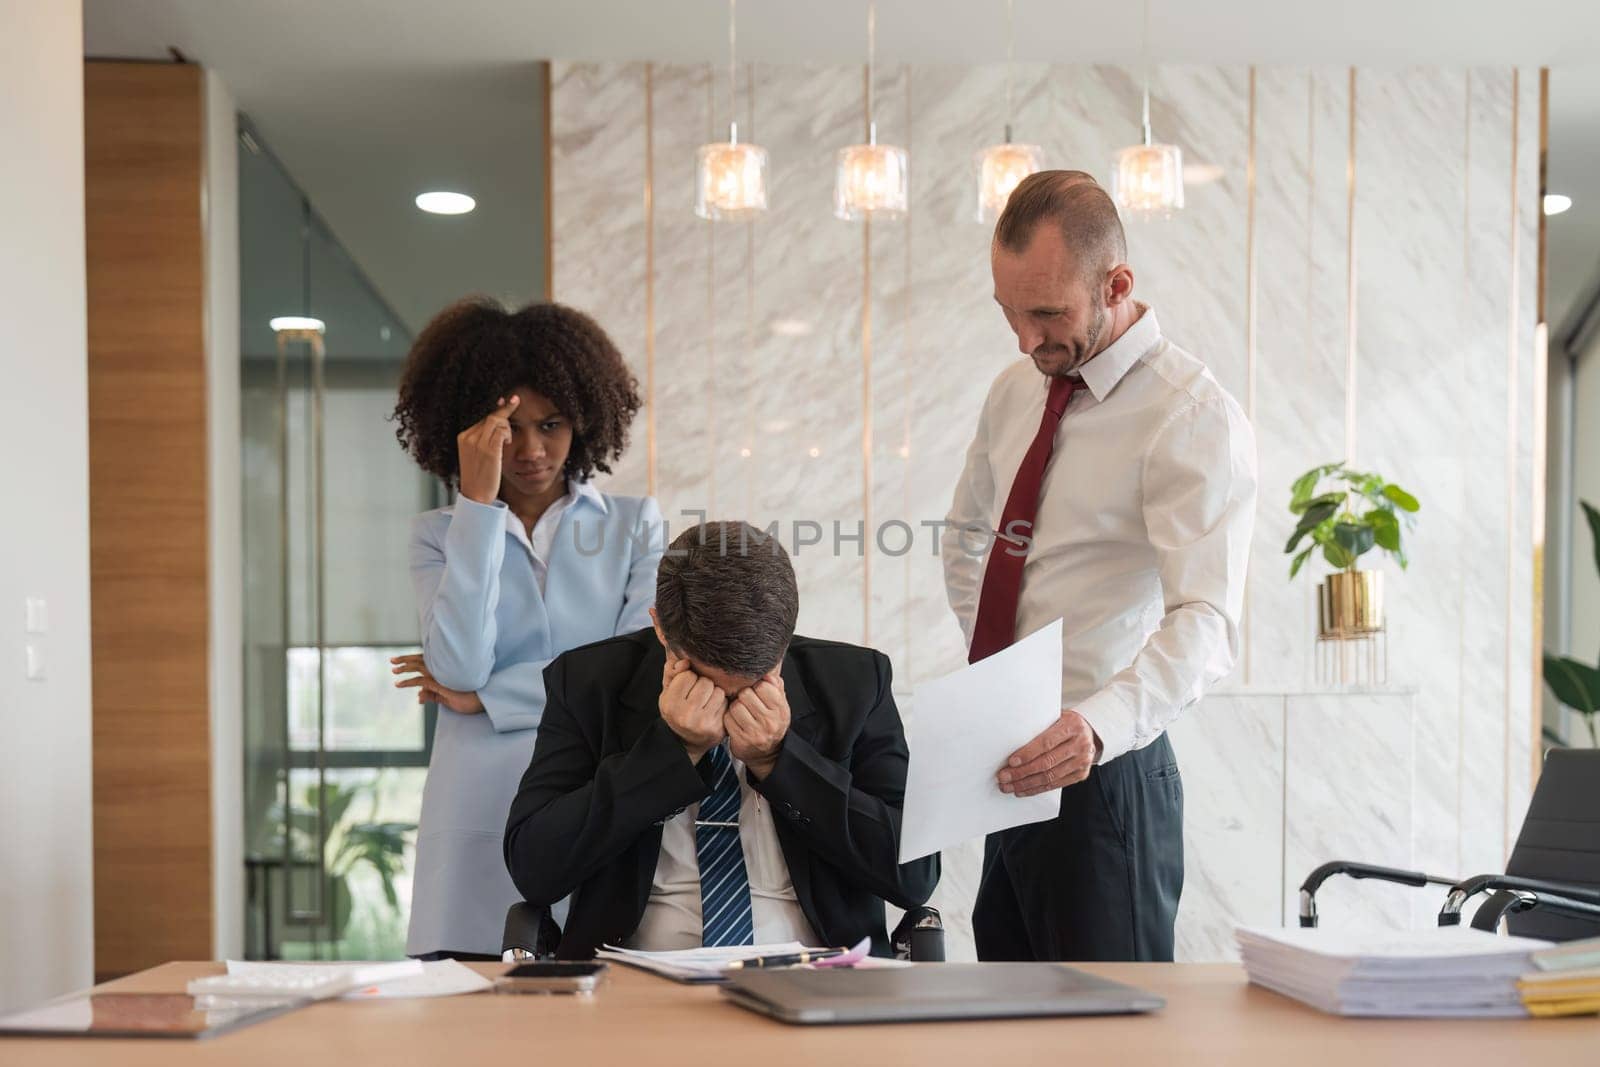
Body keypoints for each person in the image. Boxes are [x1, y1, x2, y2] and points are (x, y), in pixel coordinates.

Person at [942, 170, 1257, 962]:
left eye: (1047, 313)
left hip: (1106, 777)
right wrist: (1002, 680)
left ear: (1117, 284)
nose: (1025, 340)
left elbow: (1206, 621)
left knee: (1108, 1037)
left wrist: (1093, 725)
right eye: (1008, 313)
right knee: (1008, 1020)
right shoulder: (1016, 388)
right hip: (1009, 760)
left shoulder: (1189, 415)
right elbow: (966, 537)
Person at [503, 521, 938, 960]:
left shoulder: (856, 683)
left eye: (757, 680)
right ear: (659, 628)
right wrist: (672, 751)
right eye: (707, 681)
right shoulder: (588, 683)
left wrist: (780, 761)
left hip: (821, 971)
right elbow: (535, 869)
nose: (733, 702)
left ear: (785, 640)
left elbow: (915, 874)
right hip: (636, 976)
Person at [389, 297, 663, 959]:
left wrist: (488, 699)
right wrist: (477, 506)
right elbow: (455, 665)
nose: (533, 449)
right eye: (510, 428)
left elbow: (628, 680)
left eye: (553, 423)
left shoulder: (634, 526)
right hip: (474, 812)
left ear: (585, 420)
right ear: (469, 430)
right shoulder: (437, 535)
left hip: (591, 805)